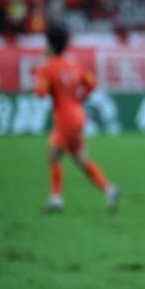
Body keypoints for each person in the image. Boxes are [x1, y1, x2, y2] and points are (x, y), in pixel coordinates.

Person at [34, 24, 119, 213]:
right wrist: (79, 97)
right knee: (78, 158)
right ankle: (108, 189)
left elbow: (40, 93)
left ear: (50, 45)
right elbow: (92, 82)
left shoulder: (47, 68)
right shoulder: (73, 65)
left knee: (55, 154)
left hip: (65, 119)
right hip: (77, 114)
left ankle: (57, 198)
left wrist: (39, 79)